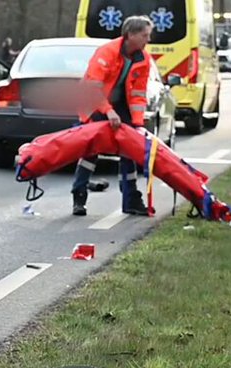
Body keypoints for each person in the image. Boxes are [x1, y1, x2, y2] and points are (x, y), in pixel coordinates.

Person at [70, 15, 154, 218]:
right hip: (95, 103)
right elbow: (93, 88)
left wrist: (137, 124)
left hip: (120, 105)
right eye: (145, 35)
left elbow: (138, 95)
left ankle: (131, 200)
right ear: (130, 35)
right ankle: (79, 196)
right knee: (91, 151)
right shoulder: (106, 52)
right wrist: (108, 111)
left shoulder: (143, 59)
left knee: (129, 150)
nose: (148, 40)